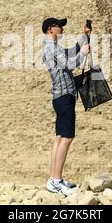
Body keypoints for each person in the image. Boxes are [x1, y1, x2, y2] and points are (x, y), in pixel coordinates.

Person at [42, 18, 91, 195]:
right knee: (67, 138)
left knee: (60, 138)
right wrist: (84, 53)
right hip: (64, 96)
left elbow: (70, 53)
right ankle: (56, 181)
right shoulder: (51, 47)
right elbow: (71, 63)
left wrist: (83, 37)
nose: (62, 28)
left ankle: (55, 179)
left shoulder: (52, 45)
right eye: (59, 26)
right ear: (50, 29)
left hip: (60, 96)